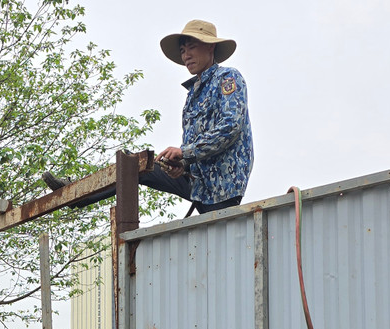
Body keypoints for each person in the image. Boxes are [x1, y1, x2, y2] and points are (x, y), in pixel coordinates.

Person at [43, 20, 253, 215]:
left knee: (220, 242)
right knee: (134, 164)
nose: (186, 55)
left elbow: (230, 127)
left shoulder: (228, 78)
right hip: (197, 182)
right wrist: (180, 165)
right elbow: (192, 149)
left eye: (191, 47)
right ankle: (76, 194)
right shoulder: (193, 95)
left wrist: (184, 152)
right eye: (182, 50)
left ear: (210, 47)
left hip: (223, 185)